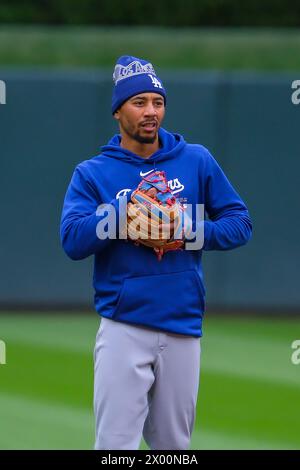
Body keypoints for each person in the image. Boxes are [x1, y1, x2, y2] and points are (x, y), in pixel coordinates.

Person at [60, 55, 252, 450]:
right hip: (123, 326)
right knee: (115, 449)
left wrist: (186, 231)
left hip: (183, 325)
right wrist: (122, 213)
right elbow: (73, 240)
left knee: (174, 449)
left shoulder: (196, 160)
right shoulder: (93, 173)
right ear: (118, 111)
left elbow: (239, 223)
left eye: (157, 102)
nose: (151, 112)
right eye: (139, 102)